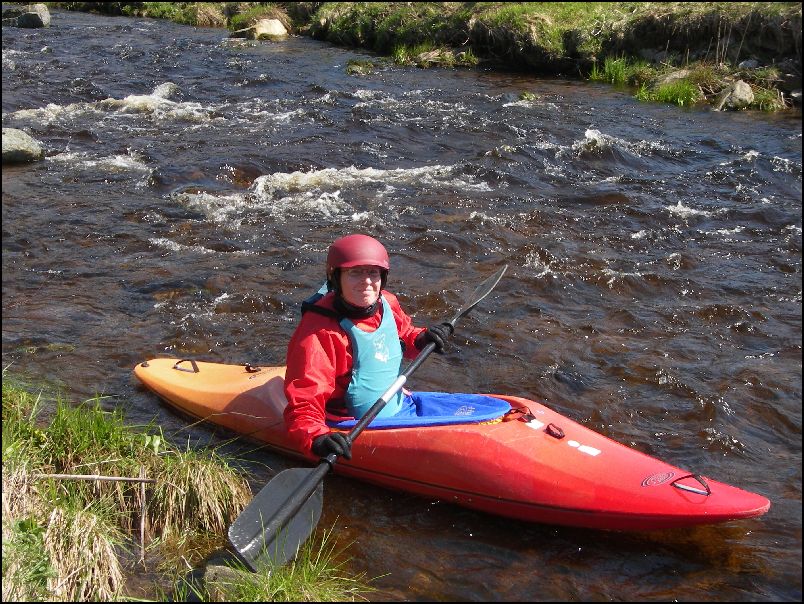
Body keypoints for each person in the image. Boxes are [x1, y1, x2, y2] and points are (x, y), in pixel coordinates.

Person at [283, 234, 452, 460]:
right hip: (349, 422)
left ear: (383, 277)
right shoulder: (318, 333)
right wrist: (317, 438)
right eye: (355, 272)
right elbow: (305, 400)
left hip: (395, 402)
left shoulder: (387, 303)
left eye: (373, 272)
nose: (367, 282)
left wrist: (422, 338)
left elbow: (403, 335)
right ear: (336, 278)